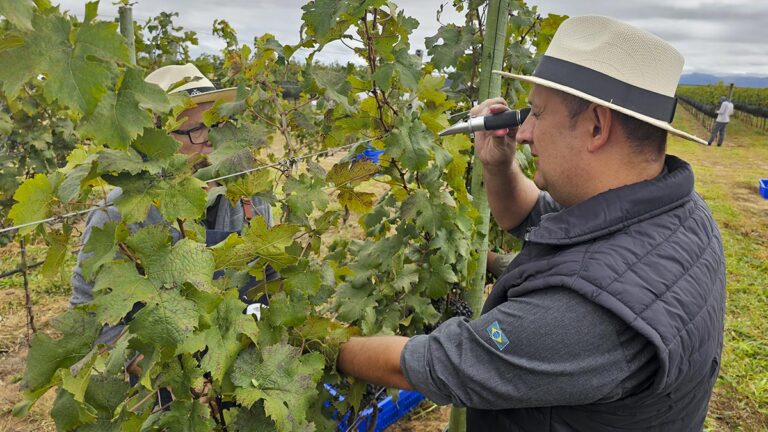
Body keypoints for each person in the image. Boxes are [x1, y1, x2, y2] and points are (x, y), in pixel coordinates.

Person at [337, 16, 725, 431]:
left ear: (597, 126)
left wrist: (327, 347)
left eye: (537, 113)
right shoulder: (679, 213)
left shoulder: (589, 315)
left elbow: (442, 364)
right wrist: (498, 165)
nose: (524, 133)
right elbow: (529, 216)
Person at [70, 63, 276, 346]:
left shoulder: (248, 195)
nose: (211, 140)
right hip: (160, 382)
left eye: (216, 124)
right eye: (196, 130)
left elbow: (272, 277)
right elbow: (89, 316)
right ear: (156, 140)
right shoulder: (121, 213)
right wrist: (151, 371)